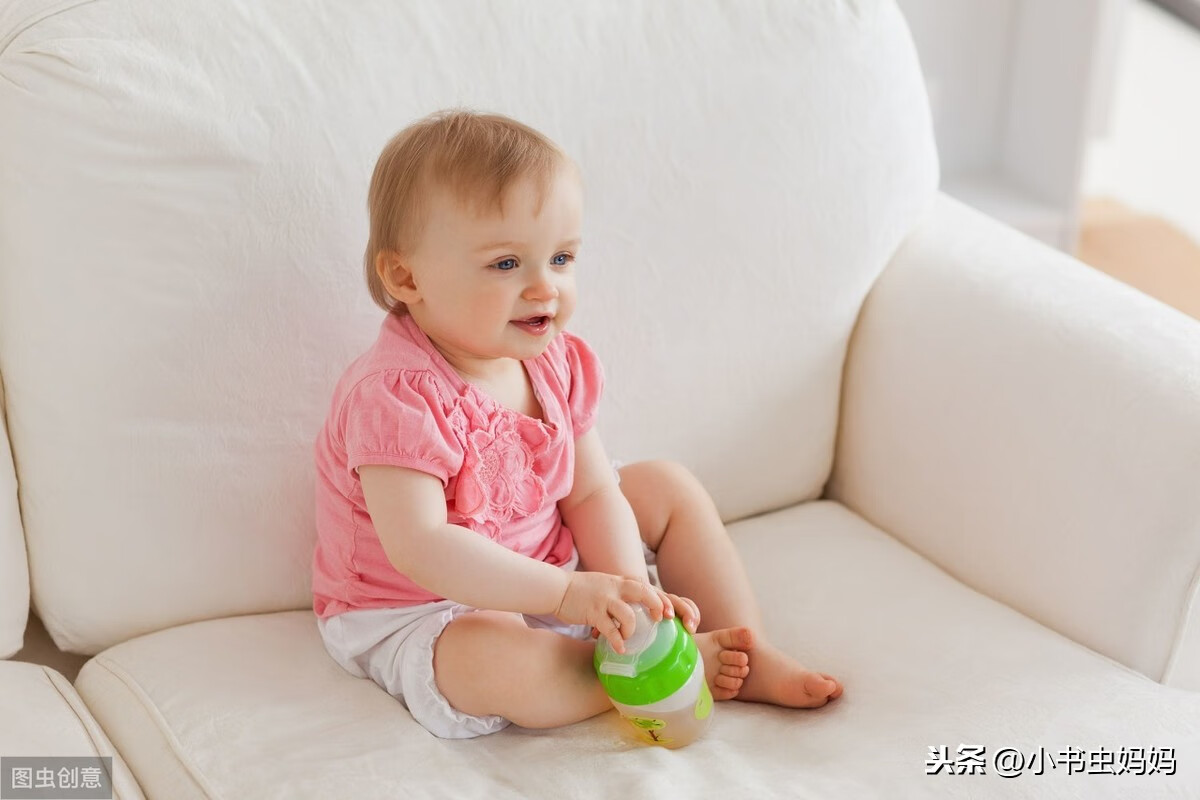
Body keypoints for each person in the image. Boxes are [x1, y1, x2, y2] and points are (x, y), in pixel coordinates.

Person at [312, 108, 843, 740]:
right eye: (506, 264)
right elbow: (422, 547)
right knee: (497, 658)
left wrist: (622, 590)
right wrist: (569, 599)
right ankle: (662, 672)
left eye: (561, 258)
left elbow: (590, 491)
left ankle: (736, 650)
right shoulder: (395, 396)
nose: (545, 289)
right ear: (407, 277)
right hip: (429, 605)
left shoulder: (554, 361)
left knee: (664, 486)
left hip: (558, 565)